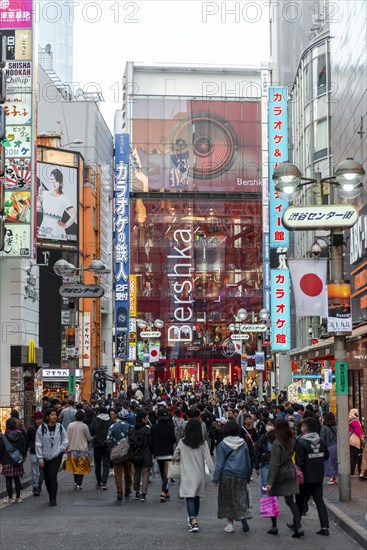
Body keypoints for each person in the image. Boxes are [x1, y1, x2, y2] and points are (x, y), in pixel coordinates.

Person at [173, 418, 214, 533]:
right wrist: (213, 475)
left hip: (186, 474)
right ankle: (193, 516)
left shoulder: (182, 442)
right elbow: (208, 460)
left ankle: (193, 520)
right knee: (196, 497)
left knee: (189, 497)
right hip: (199, 474)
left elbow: (175, 456)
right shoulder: (203, 443)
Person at [213, 421, 252, 534]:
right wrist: (248, 476)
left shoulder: (222, 444)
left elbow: (220, 463)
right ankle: (243, 516)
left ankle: (230, 525)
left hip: (227, 474)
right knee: (240, 497)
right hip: (241, 475)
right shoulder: (243, 443)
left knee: (227, 499)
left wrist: (216, 478)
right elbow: (248, 461)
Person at [266, 419, 303, 538]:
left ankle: (274, 526)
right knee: (290, 501)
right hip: (290, 471)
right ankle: (298, 526)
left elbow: (274, 463)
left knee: (272, 499)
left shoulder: (277, 443)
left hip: (279, 474)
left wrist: (270, 482)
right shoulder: (292, 439)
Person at [296, 417, 330, 536]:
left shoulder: (301, 442)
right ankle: (325, 527)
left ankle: (297, 525)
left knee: (299, 501)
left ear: (305, 428)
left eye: (302, 425)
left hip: (305, 477)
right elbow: (326, 455)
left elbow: (300, 460)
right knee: (319, 501)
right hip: (318, 475)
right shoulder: (320, 440)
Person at [35, 408, 68, 506]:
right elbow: (38, 443)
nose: (55, 416)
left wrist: (61, 449)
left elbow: (65, 440)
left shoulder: (60, 427)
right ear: (47, 416)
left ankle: (53, 499)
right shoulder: (41, 428)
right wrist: (40, 458)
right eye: (52, 415)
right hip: (44, 456)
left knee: (52, 476)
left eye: (55, 415)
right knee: (47, 478)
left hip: (56, 455)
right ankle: (50, 494)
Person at [38, 168, 77, 241]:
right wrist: (40, 193)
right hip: (44, 230)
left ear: (61, 183)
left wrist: (65, 225)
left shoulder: (64, 198)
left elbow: (74, 214)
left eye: (56, 181)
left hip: (57, 232)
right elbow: (38, 207)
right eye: (52, 179)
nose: (53, 183)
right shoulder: (44, 193)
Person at [150, 407, 176, 502]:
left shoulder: (154, 428)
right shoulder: (170, 427)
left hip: (158, 453)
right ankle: (163, 491)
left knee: (163, 473)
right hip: (168, 452)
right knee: (167, 474)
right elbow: (173, 440)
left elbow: (151, 442)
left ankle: (166, 491)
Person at [106, 408, 131, 500]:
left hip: (116, 453)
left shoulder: (113, 427)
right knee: (128, 472)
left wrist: (114, 447)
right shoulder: (130, 427)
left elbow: (108, 440)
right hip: (127, 453)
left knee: (118, 473)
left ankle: (119, 492)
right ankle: (128, 489)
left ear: (118, 416)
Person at [65, 410, 93, 490]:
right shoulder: (84, 426)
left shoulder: (70, 425)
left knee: (75, 466)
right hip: (82, 449)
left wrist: (66, 448)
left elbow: (67, 437)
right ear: (83, 417)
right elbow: (89, 438)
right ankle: (79, 484)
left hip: (72, 448)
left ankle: (76, 482)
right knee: (81, 466)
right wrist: (92, 438)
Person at [0, 418, 26, 504]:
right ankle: (18, 497)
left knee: (8, 480)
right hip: (17, 460)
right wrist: (23, 457)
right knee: (17, 479)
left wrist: (1, 461)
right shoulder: (20, 435)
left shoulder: (4, 436)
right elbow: (23, 447)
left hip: (7, 460)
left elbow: (1, 450)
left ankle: (10, 498)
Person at [130, 410, 153, 502]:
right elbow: (150, 443)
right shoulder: (147, 430)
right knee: (145, 474)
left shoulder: (132, 430)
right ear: (143, 419)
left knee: (137, 473)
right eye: (146, 418)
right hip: (146, 453)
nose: (147, 419)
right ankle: (143, 494)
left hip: (135, 453)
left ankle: (136, 491)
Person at [90, 405, 113, 489]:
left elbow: (91, 431)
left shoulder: (95, 421)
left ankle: (99, 482)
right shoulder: (109, 421)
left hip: (97, 445)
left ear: (98, 412)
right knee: (106, 464)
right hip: (107, 445)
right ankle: (104, 482)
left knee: (98, 464)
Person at [25, 411, 45, 496]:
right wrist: (24, 453)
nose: (39, 421)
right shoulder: (31, 429)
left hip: (43, 453)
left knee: (42, 473)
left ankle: (38, 486)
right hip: (33, 452)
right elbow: (27, 441)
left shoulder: (45, 428)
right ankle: (36, 488)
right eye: (37, 419)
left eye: (40, 419)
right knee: (35, 471)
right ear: (34, 419)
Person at [254, 419, 276, 490]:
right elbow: (257, 451)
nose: (269, 426)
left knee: (273, 488)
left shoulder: (279, 437)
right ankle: (267, 501)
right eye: (268, 424)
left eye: (271, 425)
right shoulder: (263, 437)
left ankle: (271, 501)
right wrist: (257, 466)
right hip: (265, 464)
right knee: (265, 487)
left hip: (276, 465)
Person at [320, 412, 338, 484]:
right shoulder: (335, 427)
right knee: (334, 462)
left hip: (327, 447)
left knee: (328, 462)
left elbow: (322, 439)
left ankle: (331, 477)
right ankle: (333, 476)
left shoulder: (324, 427)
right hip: (335, 446)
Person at [349, 408, 364, 476]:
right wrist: (362, 439)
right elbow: (359, 431)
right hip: (355, 440)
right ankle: (352, 471)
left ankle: (351, 470)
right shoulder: (355, 421)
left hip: (350, 440)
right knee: (354, 456)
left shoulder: (349, 421)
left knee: (352, 455)